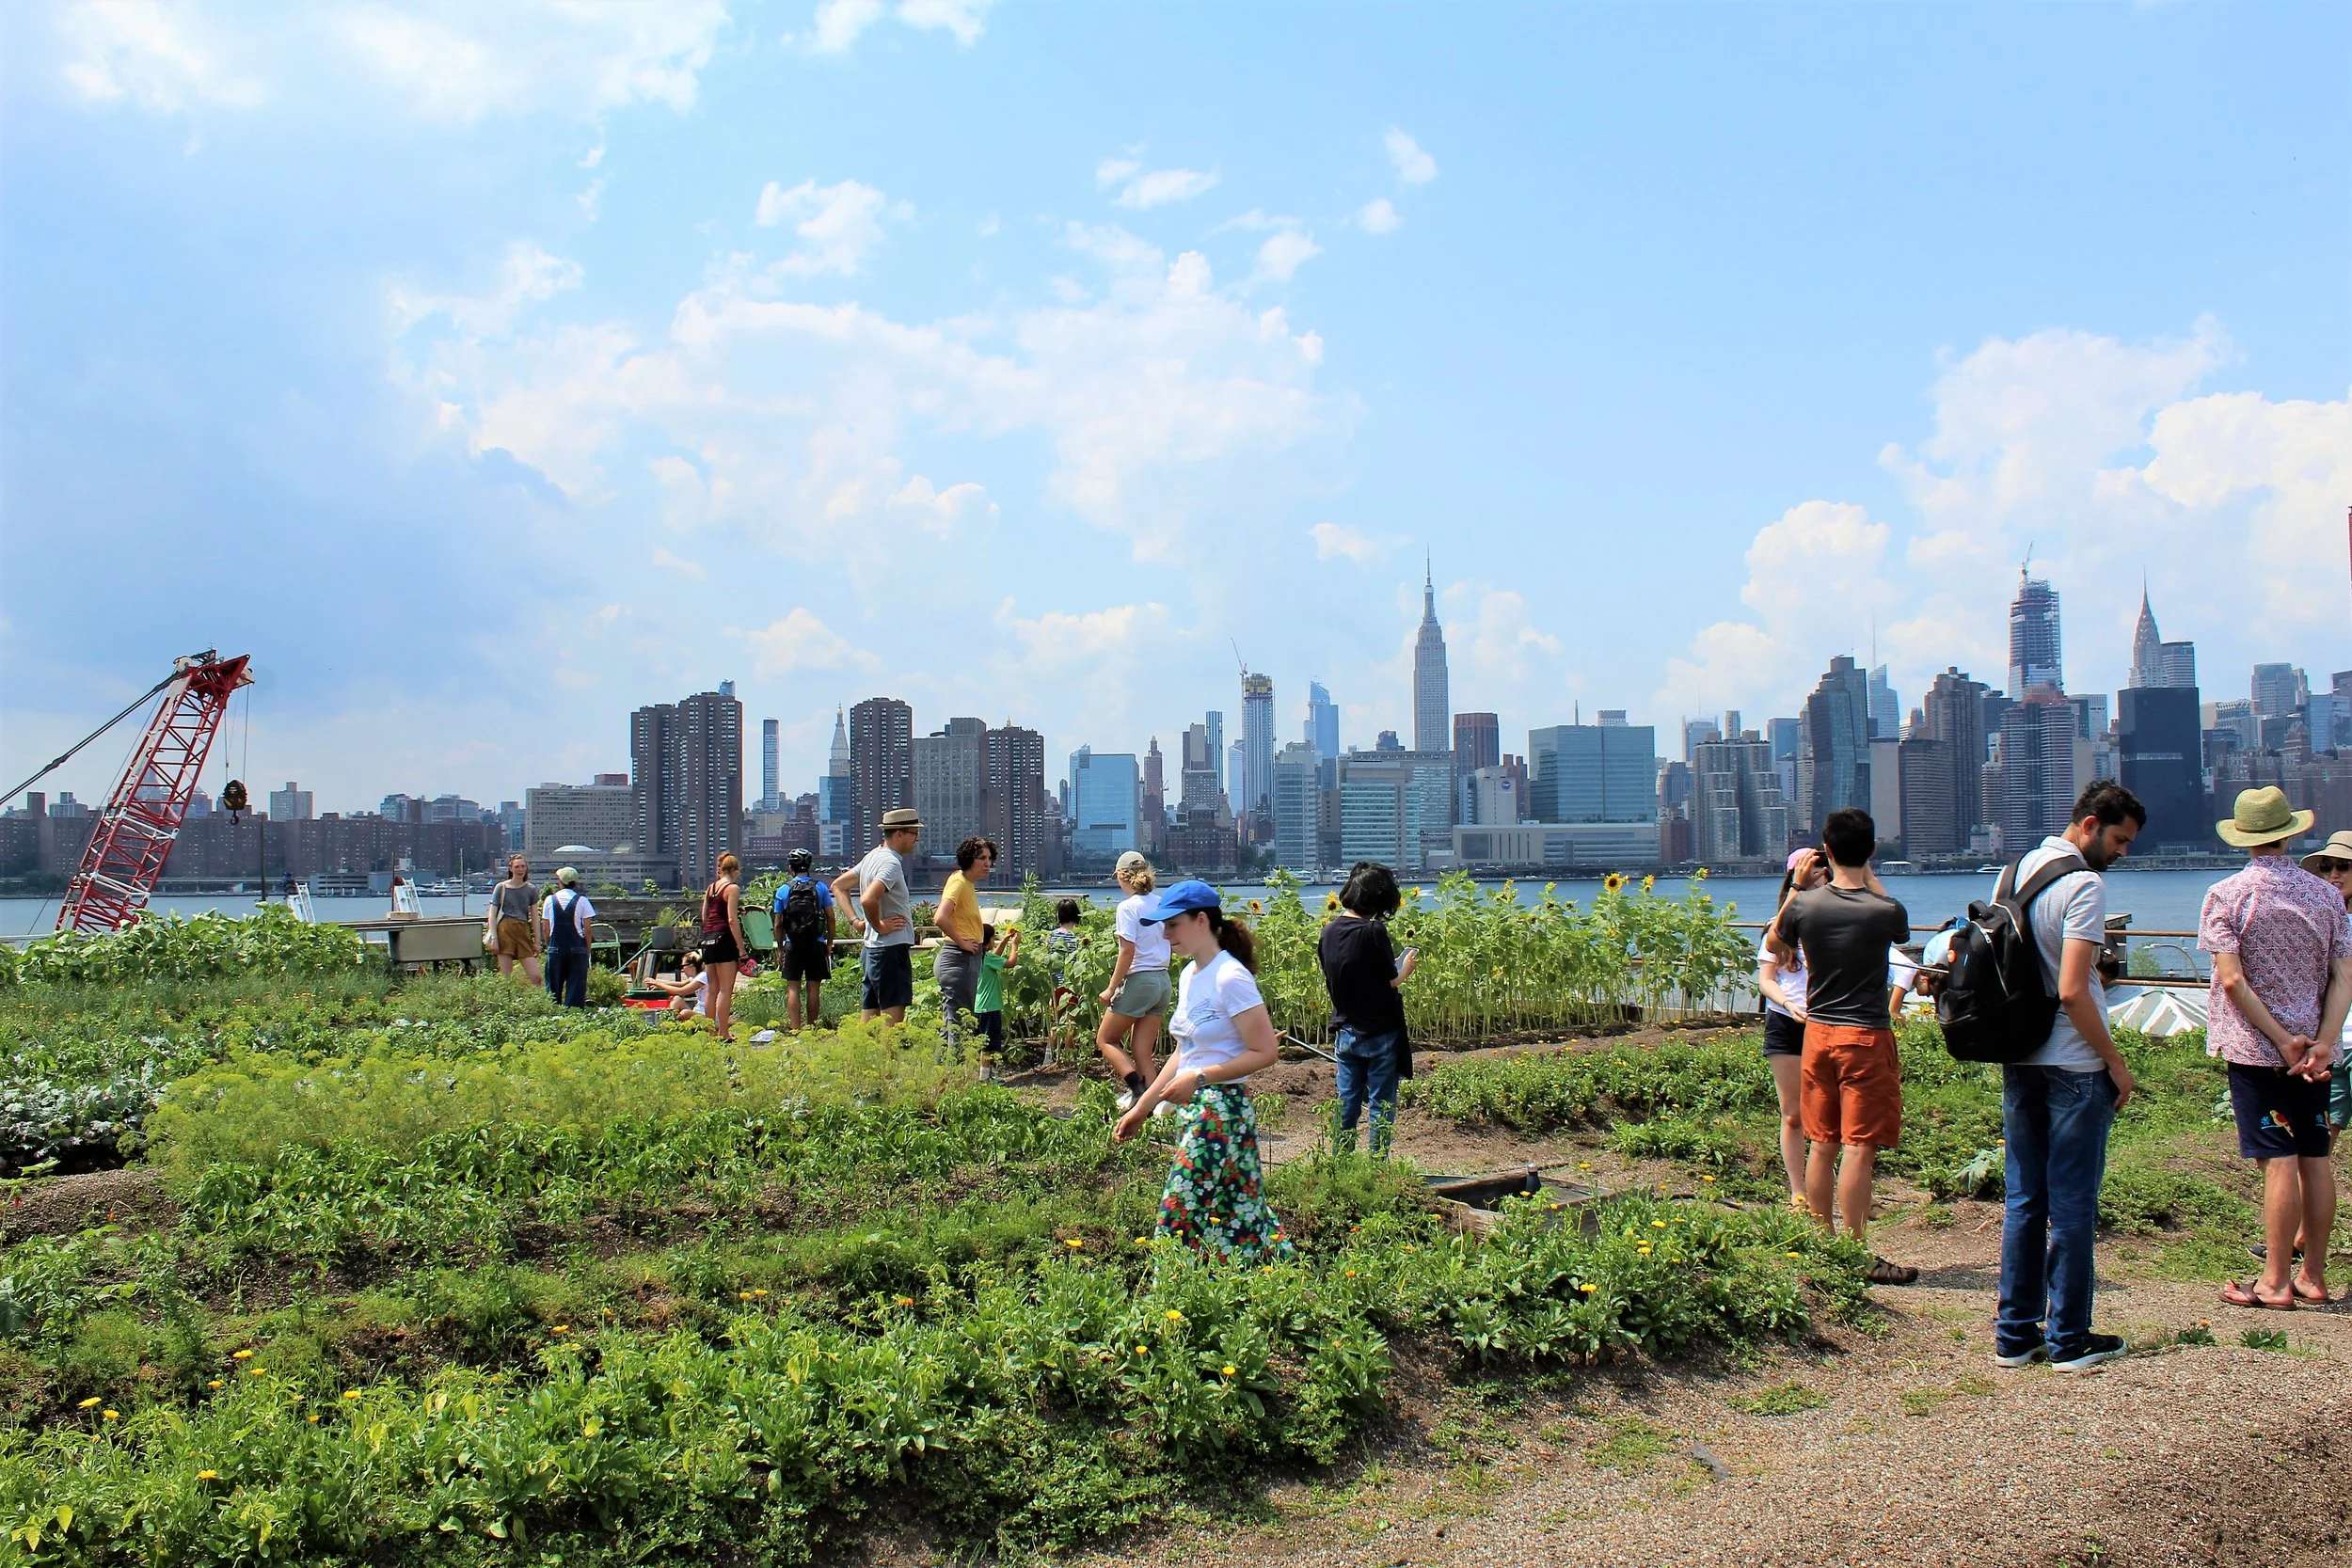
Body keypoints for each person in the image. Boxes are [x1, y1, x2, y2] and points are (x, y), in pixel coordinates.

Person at [1989, 781, 2145, 1374]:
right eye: (2121, 839)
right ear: (2091, 823)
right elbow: (2075, 988)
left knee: (2025, 1199)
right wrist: (2115, 1060)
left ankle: (2014, 1336)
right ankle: (2069, 1340)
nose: (2123, 851)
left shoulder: (2013, 874)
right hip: (2075, 1064)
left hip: (2021, 1057)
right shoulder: (2083, 884)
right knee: (2073, 1203)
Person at [2202, 788, 2352, 1310]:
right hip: (2314, 1051)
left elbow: (2232, 980)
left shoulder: (2226, 896)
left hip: (2257, 1050)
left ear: (2243, 838)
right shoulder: (2328, 895)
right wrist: (2324, 1043)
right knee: (2315, 1155)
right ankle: (2313, 1277)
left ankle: (2274, 1281)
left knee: (2279, 1160)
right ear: (2289, 833)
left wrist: (2280, 1040)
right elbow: (2343, 974)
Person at [1768, 806, 1915, 1286]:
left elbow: (1774, 942)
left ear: (1826, 851)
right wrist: (1865, 871)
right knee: (1859, 1146)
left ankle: (1821, 1239)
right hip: (1866, 1037)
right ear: (1871, 850)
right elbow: (1897, 928)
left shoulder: (1806, 908)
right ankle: (1855, 1252)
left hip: (1818, 1036)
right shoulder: (1886, 910)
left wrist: (1795, 886)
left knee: (1822, 1142)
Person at [1114, 881, 1291, 1261]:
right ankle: (1267, 1284)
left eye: (1172, 925)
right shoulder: (1190, 975)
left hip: (1222, 1110)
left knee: (1179, 1212)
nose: (1165, 934)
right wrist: (1141, 1109)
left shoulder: (1231, 977)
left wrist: (1199, 1078)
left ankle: (1170, 1295)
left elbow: (1266, 1051)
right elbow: (1185, 1051)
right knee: (1240, 1209)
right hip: (1199, 1109)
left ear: (1201, 920)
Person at [1319, 861, 1419, 1156]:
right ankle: (1377, 1162)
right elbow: (1386, 981)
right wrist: (1406, 970)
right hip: (1379, 1032)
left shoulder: (1329, 932)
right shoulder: (1373, 931)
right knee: (1381, 1104)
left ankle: (1340, 1161)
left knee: (1347, 1102)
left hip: (1346, 1030)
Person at [1757, 847, 1830, 1206]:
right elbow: (1766, 980)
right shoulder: (1780, 925)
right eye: (1810, 873)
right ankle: (1798, 1191)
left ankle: (1845, 1188)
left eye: (1823, 872)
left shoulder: (1836, 921)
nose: (1819, 879)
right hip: (1786, 1023)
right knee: (1793, 1113)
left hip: (1828, 1022)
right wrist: (1787, 1004)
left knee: (1836, 1112)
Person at [1097, 851, 1171, 1112]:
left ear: (1122, 876)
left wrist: (1111, 988)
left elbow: (1127, 951)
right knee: (1141, 1050)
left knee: (1106, 1039)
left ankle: (1137, 1090)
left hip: (1140, 980)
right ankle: (1154, 1105)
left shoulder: (1127, 907)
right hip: (1163, 981)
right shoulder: (1160, 903)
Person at [833, 808, 920, 1023]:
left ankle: (865, 1057)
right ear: (899, 834)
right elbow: (868, 899)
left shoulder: (872, 856)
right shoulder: (890, 863)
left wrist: (857, 922)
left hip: (871, 949)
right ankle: (888, 1057)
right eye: (914, 833)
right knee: (893, 1020)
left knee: (870, 1016)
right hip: (891, 948)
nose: (917, 839)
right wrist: (880, 926)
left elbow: (838, 886)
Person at [2301, 831, 2352, 1132]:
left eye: (2343, 866)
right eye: (2326, 867)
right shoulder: (2318, 922)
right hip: (2330, 1048)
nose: (2334, 874)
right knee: (2318, 1143)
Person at [933, 837, 997, 1048]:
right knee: (961, 1022)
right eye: (981, 858)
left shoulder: (965, 883)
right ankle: (959, 1073)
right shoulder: (960, 882)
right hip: (958, 959)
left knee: (951, 1022)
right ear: (969, 859)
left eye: (989, 858)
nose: (987, 863)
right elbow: (940, 917)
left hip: (963, 959)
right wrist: (961, 942)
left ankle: (945, 1072)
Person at [772, 848, 835, 1032]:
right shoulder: (820, 888)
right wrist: (829, 943)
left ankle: (795, 1030)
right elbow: (831, 918)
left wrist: (779, 948)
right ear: (809, 867)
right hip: (816, 943)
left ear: (790, 867)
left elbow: (778, 923)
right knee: (813, 988)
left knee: (793, 988)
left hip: (793, 944)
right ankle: (813, 1029)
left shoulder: (783, 890)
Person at [698, 851, 750, 1038]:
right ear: (735, 870)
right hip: (724, 940)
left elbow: (705, 916)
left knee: (712, 988)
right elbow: (731, 920)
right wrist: (741, 948)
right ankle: (724, 1032)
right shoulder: (732, 889)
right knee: (726, 990)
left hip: (708, 938)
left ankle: (710, 1031)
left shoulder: (711, 888)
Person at [540, 865, 596, 1008]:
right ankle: (573, 1018)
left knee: (552, 990)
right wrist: (587, 949)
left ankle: (553, 1016)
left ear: (560, 882)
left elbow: (545, 927)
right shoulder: (582, 901)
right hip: (577, 949)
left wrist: (549, 945)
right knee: (576, 991)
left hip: (555, 948)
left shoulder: (549, 900)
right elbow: (587, 929)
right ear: (576, 883)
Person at [485, 855, 543, 987]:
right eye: (517, 867)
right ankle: (509, 1004)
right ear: (511, 869)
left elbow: (534, 916)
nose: (520, 870)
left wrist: (537, 942)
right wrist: (494, 938)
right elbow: (492, 914)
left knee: (536, 977)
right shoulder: (501, 887)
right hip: (505, 932)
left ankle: (538, 1004)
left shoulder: (531, 889)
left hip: (522, 931)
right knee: (507, 979)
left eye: (523, 866)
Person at [973, 920, 1021, 1074]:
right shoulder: (988, 959)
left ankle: (983, 1074)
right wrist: (1015, 945)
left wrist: (1005, 940)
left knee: (981, 1043)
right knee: (988, 1046)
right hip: (990, 1008)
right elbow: (1011, 963)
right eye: (994, 938)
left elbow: (995, 956)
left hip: (979, 1007)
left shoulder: (979, 957)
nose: (996, 940)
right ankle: (985, 1077)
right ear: (987, 944)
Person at [1045, 898, 1084, 1064]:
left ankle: (1048, 1056)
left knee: (1056, 1021)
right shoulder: (1078, 937)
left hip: (1055, 983)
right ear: (1076, 914)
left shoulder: (1050, 936)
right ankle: (1069, 1056)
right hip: (1071, 983)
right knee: (1071, 1021)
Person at [647, 952, 707, 1021]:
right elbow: (681, 984)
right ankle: (669, 1022)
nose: (682, 970)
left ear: (691, 966)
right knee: (677, 999)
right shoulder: (695, 977)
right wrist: (657, 983)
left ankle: (671, 1023)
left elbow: (681, 991)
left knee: (685, 1013)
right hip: (697, 1011)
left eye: (683, 966)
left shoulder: (702, 977)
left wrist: (658, 984)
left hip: (705, 1013)